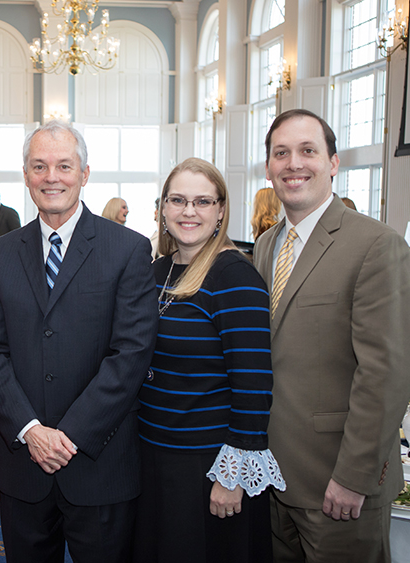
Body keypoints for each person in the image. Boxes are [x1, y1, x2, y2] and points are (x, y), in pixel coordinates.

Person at [0, 120, 158, 562]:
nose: (51, 177)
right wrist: (31, 431)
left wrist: (69, 436)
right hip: (24, 465)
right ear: (25, 174)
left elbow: (130, 354)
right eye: (39, 166)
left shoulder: (128, 249)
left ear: (85, 173)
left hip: (100, 464)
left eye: (63, 165)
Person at [254, 109, 410, 563]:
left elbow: (386, 373)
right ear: (268, 167)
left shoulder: (375, 245)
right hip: (272, 479)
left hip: (337, 485)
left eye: (308, 151)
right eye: (281, 153)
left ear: (333, 162)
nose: (293, 164)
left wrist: (354, 476)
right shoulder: (266, 246)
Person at [134, 158, 285, 563]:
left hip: (206, 465)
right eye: (178, 200)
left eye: (202, 201)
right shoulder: (157, 271)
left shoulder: (234, 276)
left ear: (220, 210)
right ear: (162, 208)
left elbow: (253, 383)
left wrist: (231, 477)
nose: (189, 211)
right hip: (153, 453)